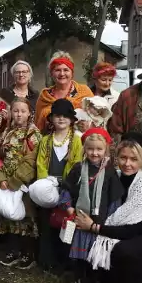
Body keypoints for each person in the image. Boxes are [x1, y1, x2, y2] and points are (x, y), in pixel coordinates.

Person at [77, 137, 142, 283]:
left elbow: (131, 230)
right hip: (127, 231)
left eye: (134, 159)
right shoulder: (114, 177)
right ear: (116, 159)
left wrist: (94, 227)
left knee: (121, 249)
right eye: (123, 158)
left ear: (141, 161)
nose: (127, 163)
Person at [59, 128, 123, 283]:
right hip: (79, 221)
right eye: (90, 149)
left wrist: (107, 223)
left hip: (98, 224)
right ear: (84, 149)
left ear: (106, 150)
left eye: (99, 149)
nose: (94, 153)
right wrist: (68, 208)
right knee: (78, 256)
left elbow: (114, 200)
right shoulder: (79, 169)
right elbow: (65, 190)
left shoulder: (110, 173)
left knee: (94, 255)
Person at [0, 97, 41, 270]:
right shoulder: (5, 133)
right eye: (16, 111)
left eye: (23, 111)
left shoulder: (33, 134)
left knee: (25, 217)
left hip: (22, 184)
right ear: (11, 113)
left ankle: (28, 253)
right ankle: (13, 250)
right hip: (6, 182)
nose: (19, 114)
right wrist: (0, 178)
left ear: (29, 113)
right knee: (8, 216)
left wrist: (15, 181)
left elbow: (32, 161)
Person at [35, 99, 84, 271]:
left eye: (65, 116)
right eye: (57, 116)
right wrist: (45, 182)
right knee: (47, 222)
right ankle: (47, 259)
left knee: (66, 223)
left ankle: (65, 261)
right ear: (51, 119)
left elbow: (77, 164)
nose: (61, 119)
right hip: (48, 186)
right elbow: (40, 164)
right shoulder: (46, 141)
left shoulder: (77, 141)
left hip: (67, 188)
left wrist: (66, 185)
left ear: (71, 119)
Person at [34, 51, 93, 131]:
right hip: (49, 142)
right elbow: (37, 124)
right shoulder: (45, 96)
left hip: (78, 142)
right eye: (57, 70)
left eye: (66, 70)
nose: (62, 74)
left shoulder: (84, 92)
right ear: (51, 74)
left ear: (72, 73)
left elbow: (96, 120)